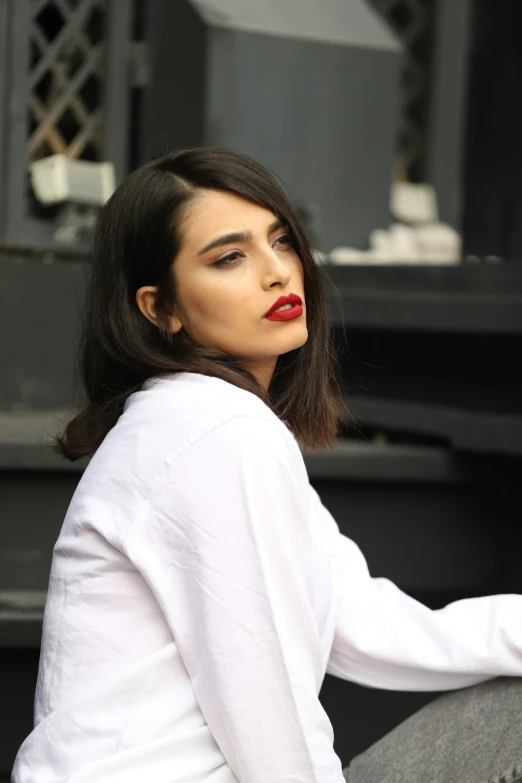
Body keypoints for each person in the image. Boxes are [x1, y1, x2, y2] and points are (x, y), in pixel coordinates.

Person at [12, 147, 522, 783]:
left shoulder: (205, 422)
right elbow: (268, 712)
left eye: (282, 241)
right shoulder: (215, 431)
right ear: (159, 308)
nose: (279, 272)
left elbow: (363, 622)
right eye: (230, 257)